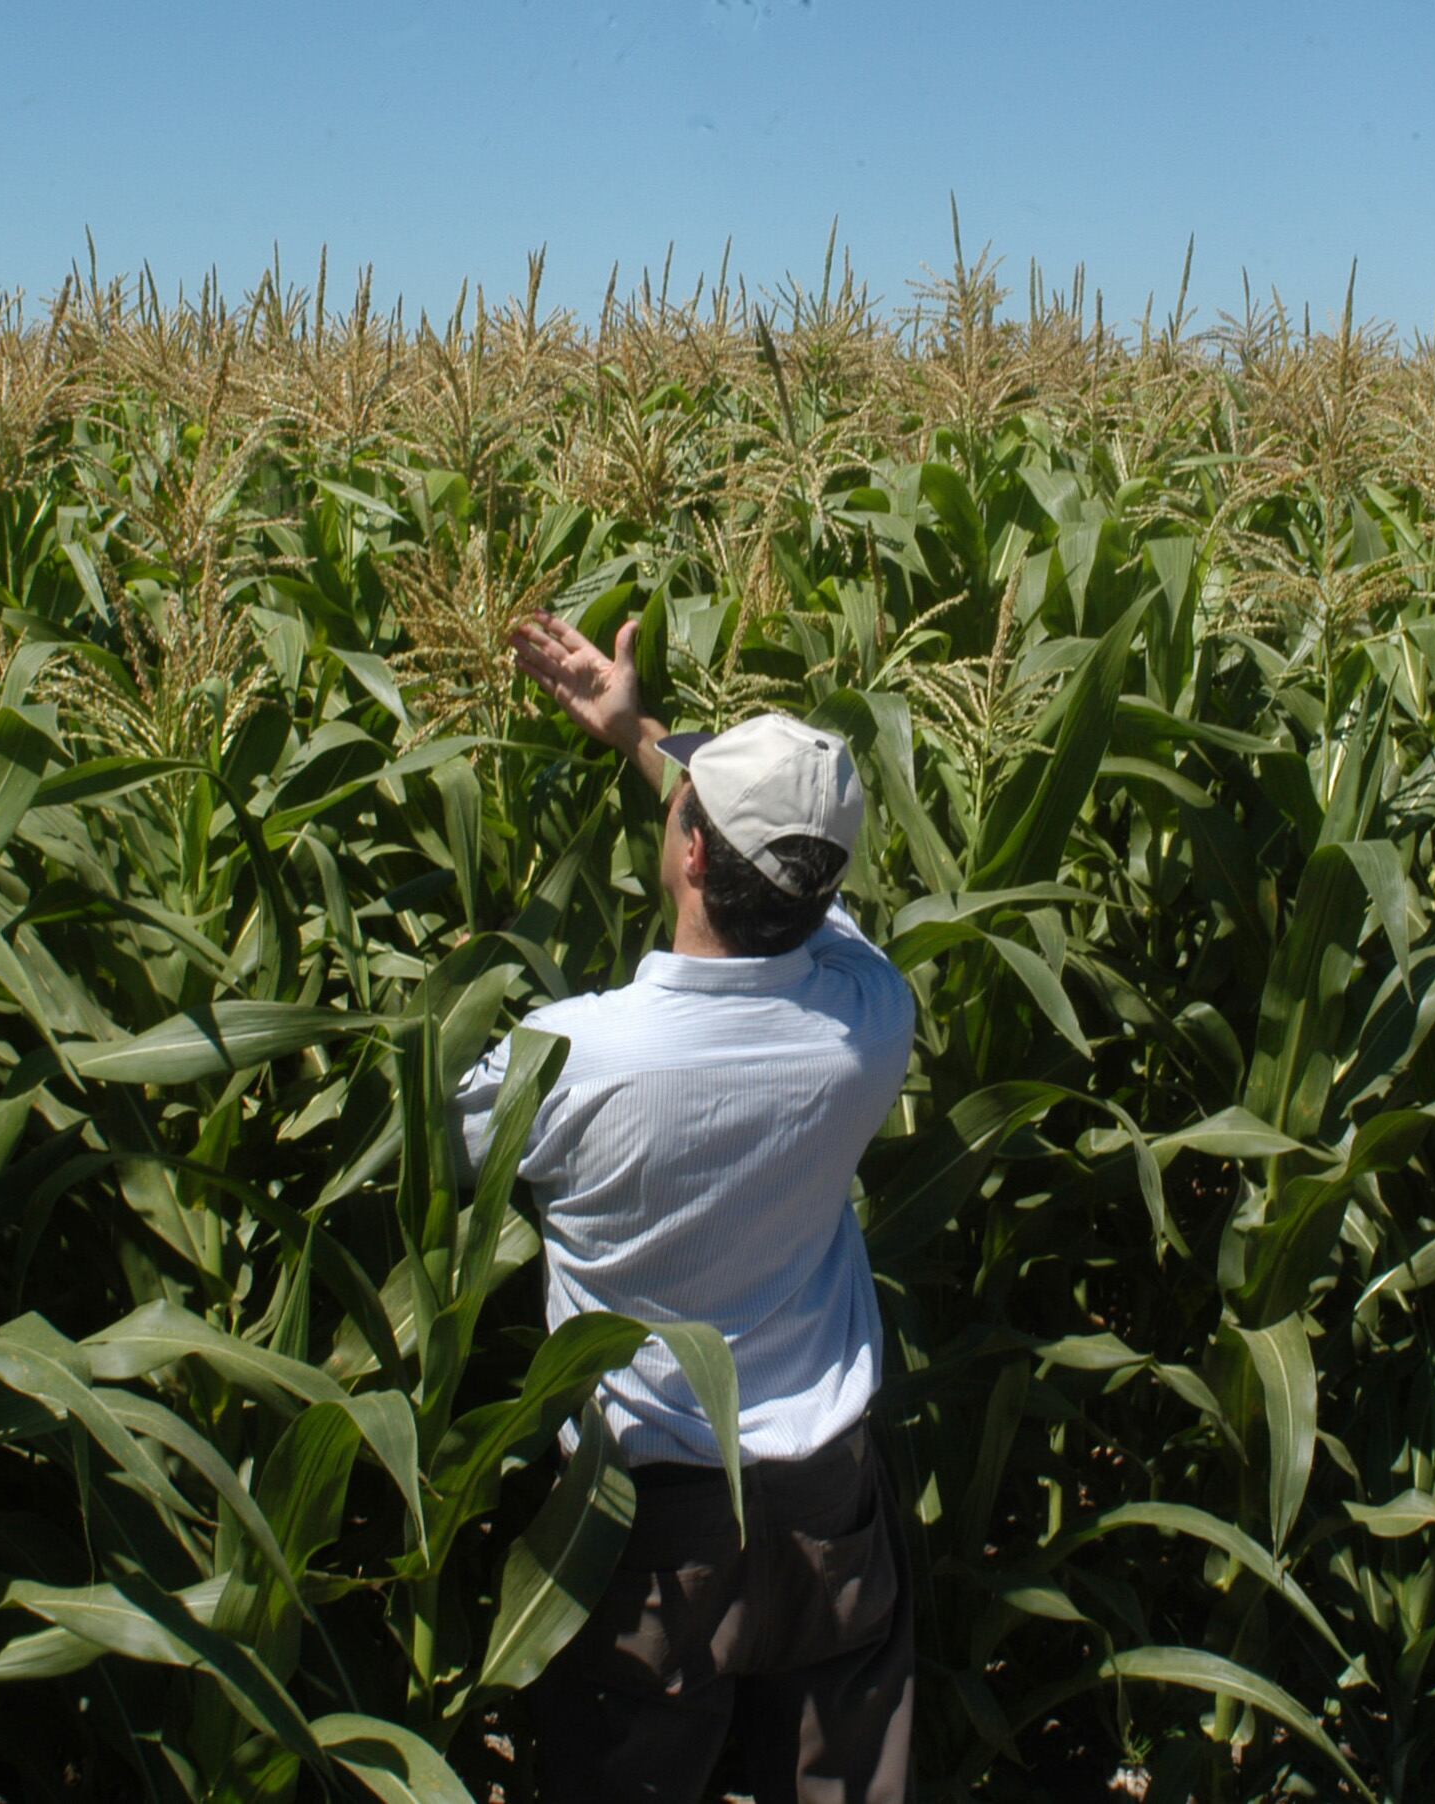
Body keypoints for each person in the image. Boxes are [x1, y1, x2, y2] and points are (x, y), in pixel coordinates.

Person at [454, 608, 919, 1804]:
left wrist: (633, 744)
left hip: (648, 1524)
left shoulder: (575, 1060)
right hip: (828, 1501)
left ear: (691, 853)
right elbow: (790, 877)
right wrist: (640, 739)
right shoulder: (867, 1024)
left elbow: (434, 1144)